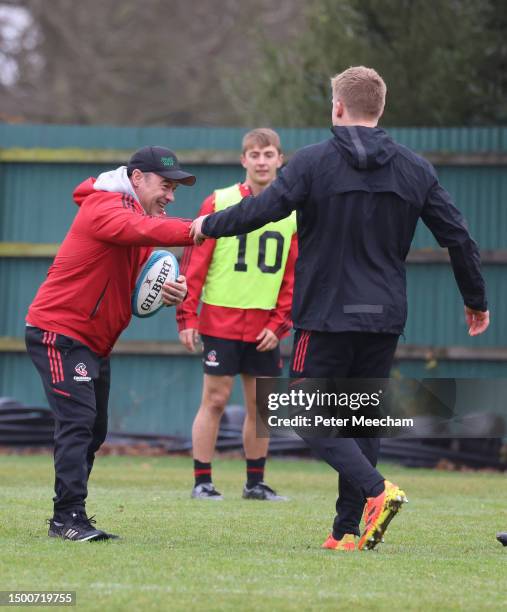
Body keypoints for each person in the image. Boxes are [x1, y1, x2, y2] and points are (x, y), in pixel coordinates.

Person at [191, 66, 490, 550]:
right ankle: (346, 531)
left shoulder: (312, 163)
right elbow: (458, 237)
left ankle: (377, 491)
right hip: (384, 316)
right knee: (359, 419)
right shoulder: (416, 168)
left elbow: (260, 210)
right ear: (381, 108)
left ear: (337, 107)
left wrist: (206, 225)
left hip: (327, 314)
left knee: (305, 413)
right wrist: (475, 299)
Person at [26, 146, 196, 541]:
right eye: (165, 185)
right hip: (59, 333)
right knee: (78, 422)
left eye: (174, 188)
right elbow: (144, 232)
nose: (170, 196)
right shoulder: (105, 206)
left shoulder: (135, 214)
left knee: (95, 428)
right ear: (137, 178)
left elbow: (142, 269)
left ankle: (67, 514)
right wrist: (199, 228)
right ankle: (67, 517)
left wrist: (172, 287)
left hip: (93, 342)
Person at [177, 128, 297, 501]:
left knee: (261, 406)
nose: (262, 161)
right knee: (214, 399)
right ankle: (202, 481)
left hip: (264, 324)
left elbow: (295, 275)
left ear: (280, 159)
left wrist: (280, 324)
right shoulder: (220, 201)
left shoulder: (294, 211)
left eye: (269, 154)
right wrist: (187, 316)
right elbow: (195, 260)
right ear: (243, 159)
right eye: (255, 154)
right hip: (221, 318)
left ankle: (255, 483)